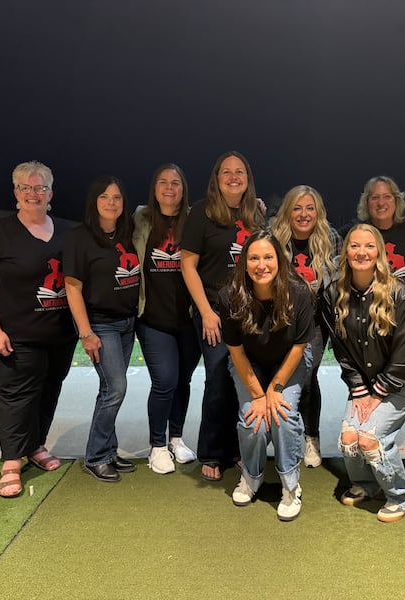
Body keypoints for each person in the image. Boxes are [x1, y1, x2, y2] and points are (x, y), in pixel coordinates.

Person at [0, 160, 77, 498]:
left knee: (48, 389)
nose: (33, 193)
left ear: (50, 193)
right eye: (26, 187)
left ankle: (36, 446)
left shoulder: (68, 232)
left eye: (40, 187)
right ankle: (11, 461)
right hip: (12, 335)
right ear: (16, 192)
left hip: (58, 335)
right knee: (16, 395)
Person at [321, 223, 405, 522]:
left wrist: (377, 395)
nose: (361, 252)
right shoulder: (334, 292)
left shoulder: (399, 293)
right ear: (345, 252)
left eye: (369, 246)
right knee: (348, 437)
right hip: (367, 382)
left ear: (379, 252)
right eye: (354, 246)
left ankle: (400, 496)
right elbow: (341, 349)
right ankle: (366, 484)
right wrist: (359, 389)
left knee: (370, 438)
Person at [181, 150, 264, 481]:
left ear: (247, 178)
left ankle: (241, 450)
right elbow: (188, 265)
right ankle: (214, 451)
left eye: (240, 171)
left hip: (249, 311)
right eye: (226, 171)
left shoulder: (255, 213)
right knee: (217, 377)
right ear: (216, 178)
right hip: (213, 308)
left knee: (244, 378)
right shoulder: (202, 211)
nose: (233, 177)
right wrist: (205, 312)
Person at [219, 230, 313, 521]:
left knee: (282, 415)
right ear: (244, 262)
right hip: (249, 362)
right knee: (253, 419)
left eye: (268, 257)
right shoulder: (230, 295)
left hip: (289, 361)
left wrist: (275, 388)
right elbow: (235, 352)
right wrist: (258, 395)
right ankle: (252, 476)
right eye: (254, 258)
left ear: (279, 261)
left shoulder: (299, 292)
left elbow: (299, 347)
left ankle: (290, 485)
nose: (262, 265)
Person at [64, 175, 140, 483]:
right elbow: (72, 287)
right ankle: (96, 457)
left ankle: (107, 450)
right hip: (99, 324)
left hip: (126, 322)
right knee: (117, 388)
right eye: (105, 197)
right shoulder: (79, 238)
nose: (112, 203)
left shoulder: (128, 233)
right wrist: (86, 332)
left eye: (118, 198)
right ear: (94, 201)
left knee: (109, 388)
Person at [132, 164, 201, 474]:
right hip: (152, 318)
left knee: (183, 381)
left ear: (183, 188)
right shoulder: (140, 219)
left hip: (188, 318)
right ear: (155, 187)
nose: (170, 188)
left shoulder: (195, 220)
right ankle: (157, 445)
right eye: (163, 182)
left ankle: (176, 438)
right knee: (165, 382)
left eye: (176, 182)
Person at [270, 185, 342, 467]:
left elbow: (337, 282)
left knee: (306, 376)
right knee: (280, 375)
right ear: (288, 212)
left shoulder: (330, 237)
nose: (303, 214)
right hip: (280, 320)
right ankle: (285, 436)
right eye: (297, 208)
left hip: (314, 322)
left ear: (318, 212)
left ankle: (311, 437)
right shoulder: (275, 238)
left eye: (309, 208)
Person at [352, 176, 405, 295]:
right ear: (366, 202)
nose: (381, 203)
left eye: (387, 197)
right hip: (369, 310)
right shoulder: (356, 231)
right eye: (375, 198)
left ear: (396, 200)